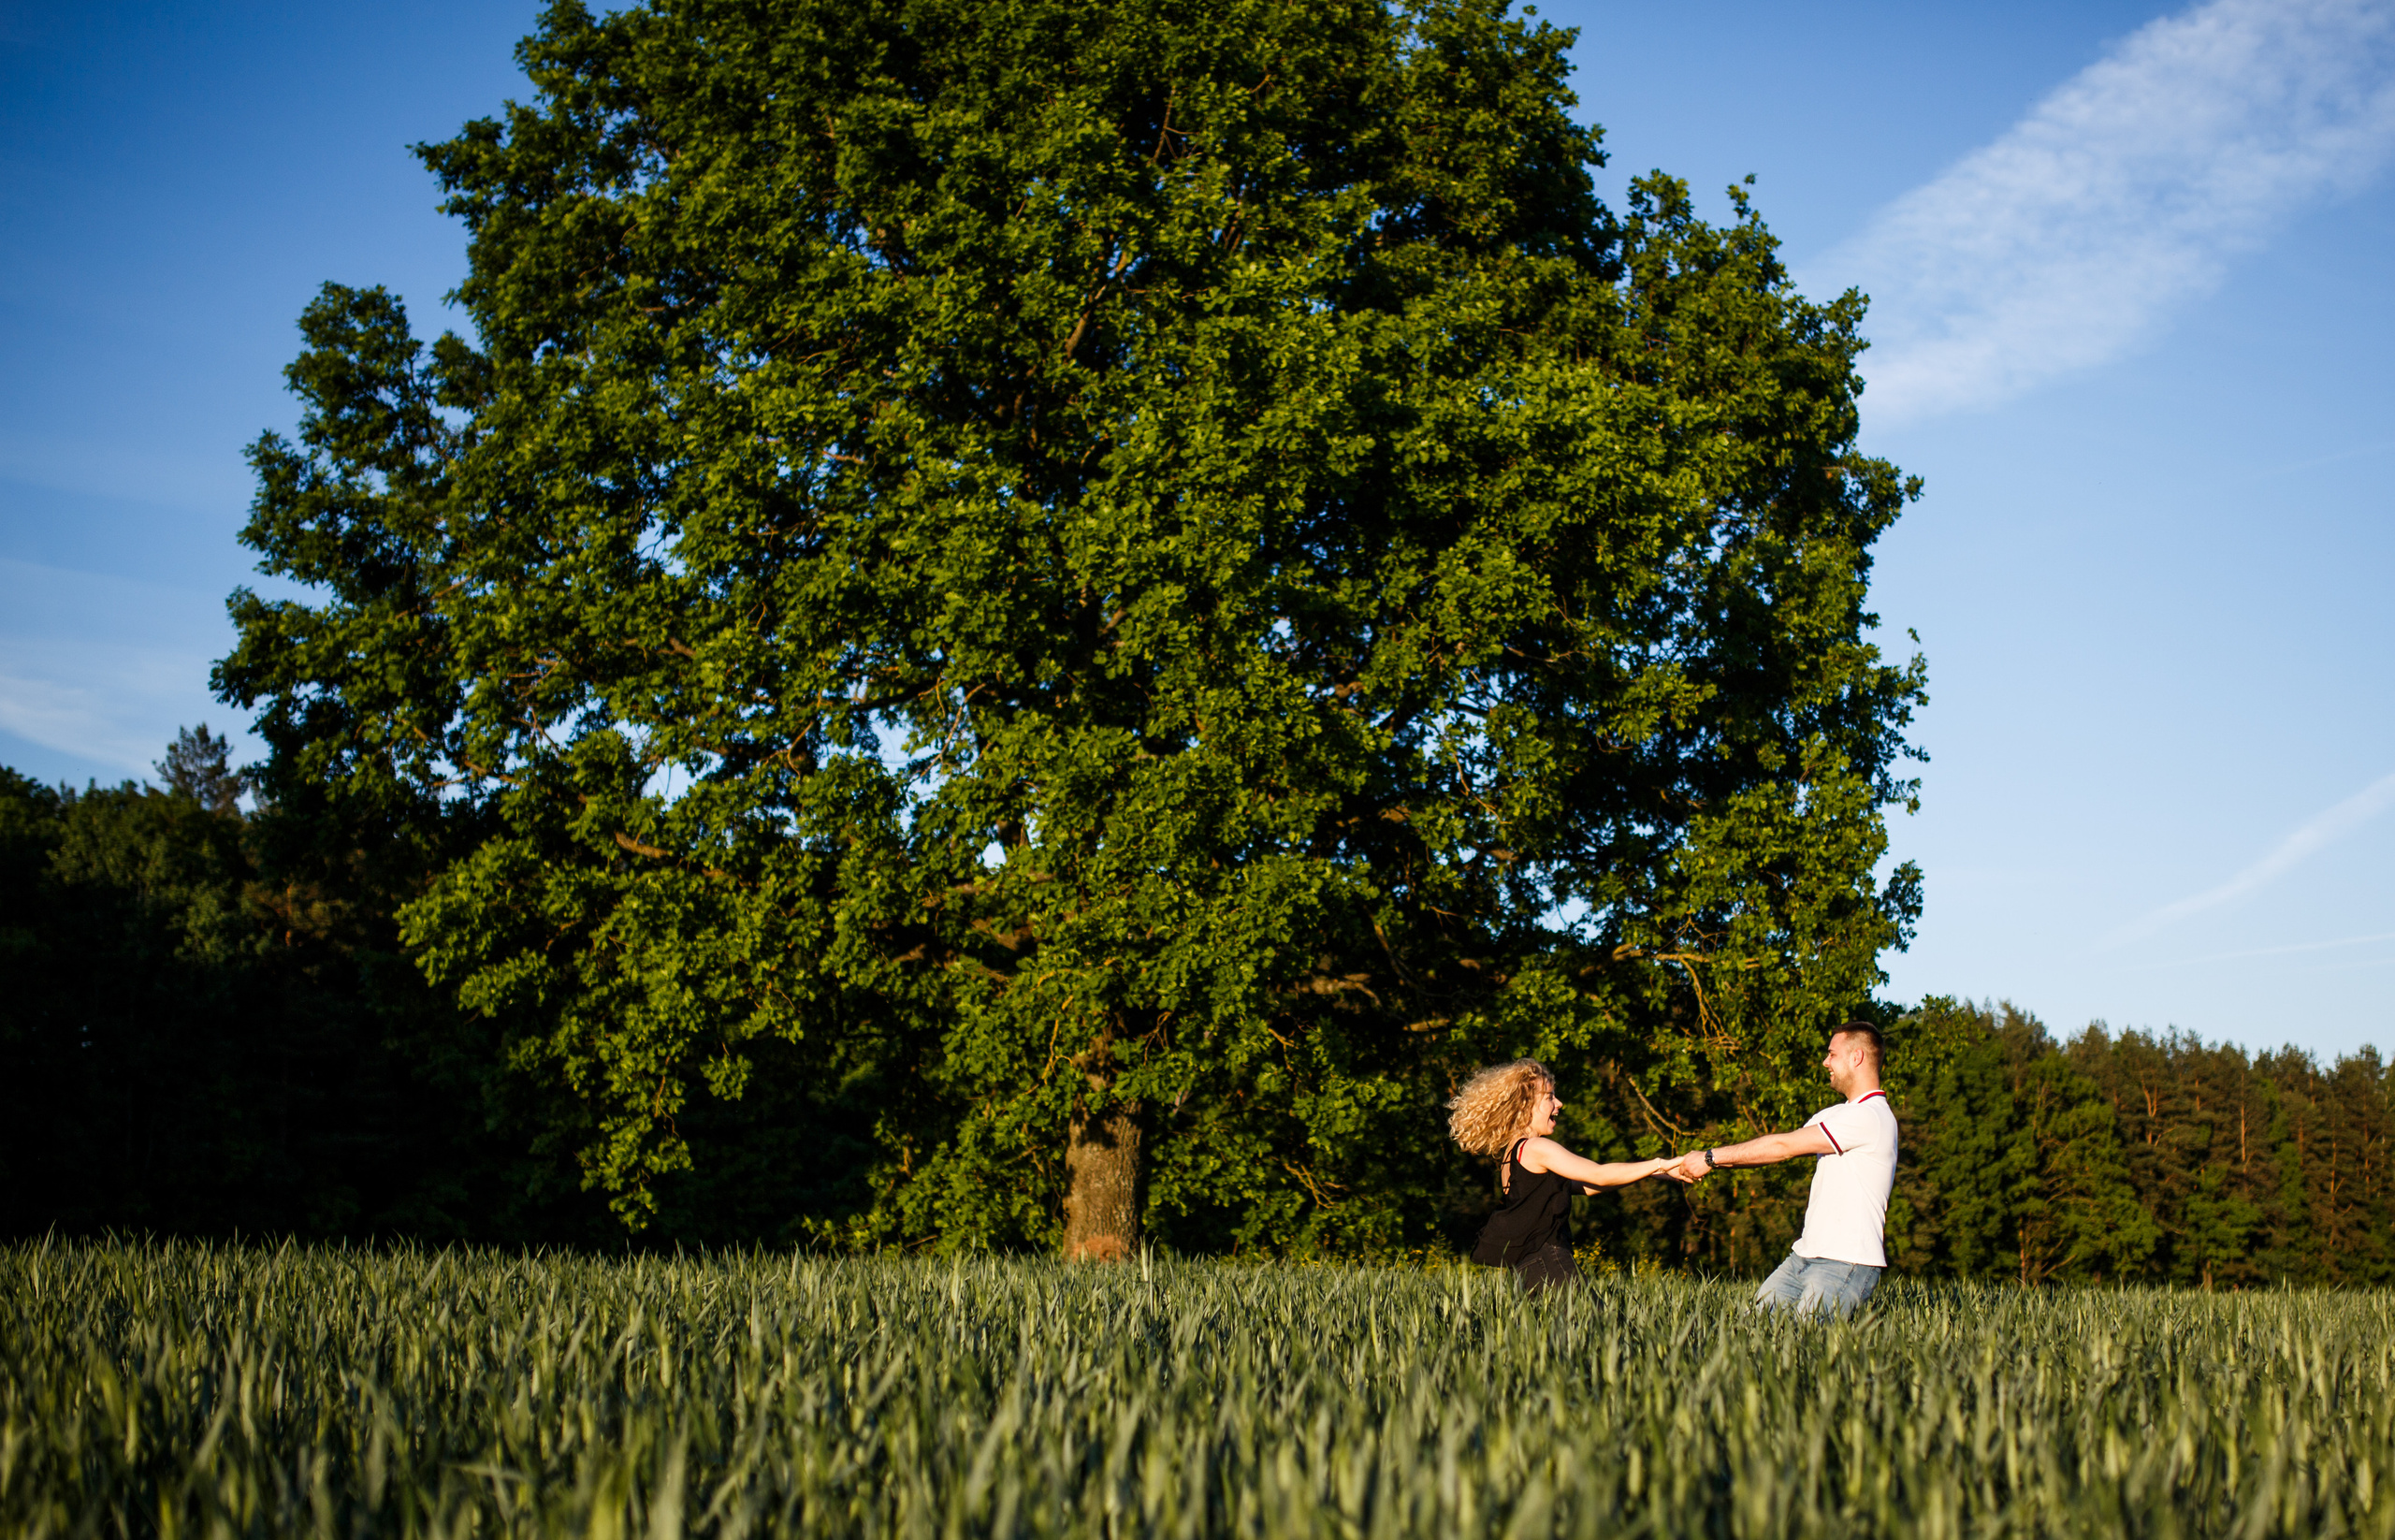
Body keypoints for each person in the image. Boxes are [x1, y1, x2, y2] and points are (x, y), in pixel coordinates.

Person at [1670, 1021, 1895, 1317]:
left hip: (1846, 1261)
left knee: (1807, 1349)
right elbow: (1768, 1148)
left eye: (1832, 1054)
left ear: (1857, 1057)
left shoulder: (1871, 1117)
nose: (1825, 1061)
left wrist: (1710, 1158)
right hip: (1802, 1257)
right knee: (1753, 1331)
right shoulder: (1837, 1114)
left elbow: (1783, 1148)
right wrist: (1669, 1167)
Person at [1447, 1059, 1688, 1292]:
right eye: (1549, 1097)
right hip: (1550, 1264)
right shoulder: (1536, 1148)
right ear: (1524, 1104)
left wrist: (1650, 1172)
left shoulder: (1512, 1154)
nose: (1559, 1103)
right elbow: (1598, 1174)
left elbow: (1589, 1185)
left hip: (1527, 1271)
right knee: (1600, 1330)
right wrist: (1660, 1163)